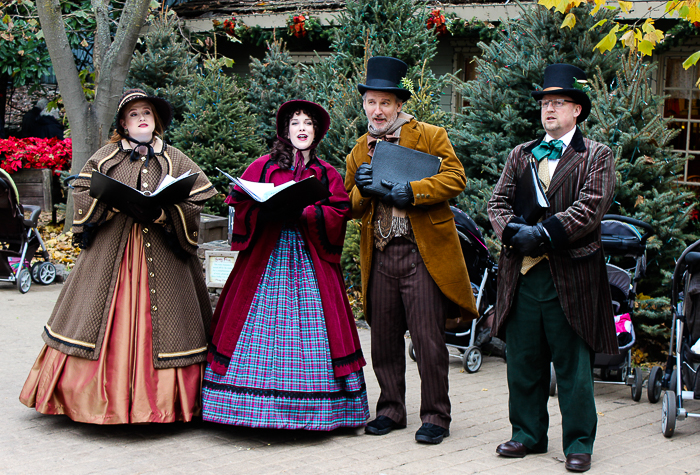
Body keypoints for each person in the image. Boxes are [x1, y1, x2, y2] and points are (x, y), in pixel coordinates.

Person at [20, 88, 217, 424]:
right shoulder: (106, 156)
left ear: (156, 122)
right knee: (95, 319)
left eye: (147, 114)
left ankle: (167, 404)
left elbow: (195, 201)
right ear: (124, 124)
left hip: (166, 259)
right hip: (111, 254)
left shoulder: (177, 158)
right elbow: (81, 194)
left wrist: (160, 214)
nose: (142, 119)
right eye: (134, 114)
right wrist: (111, 204)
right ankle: (92, 400)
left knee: (172, 326)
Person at [204, 100, 369, 431]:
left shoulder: (326, 174)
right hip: (265, 258)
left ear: (317, 133)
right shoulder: (263, 167)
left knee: (318, 330)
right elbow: (238, 203)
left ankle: (324, 412)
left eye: (309, 123)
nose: (303, 128)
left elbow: (339, 213)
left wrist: (306, 212)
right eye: (296, 123)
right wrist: (262, 212)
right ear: (285, 130)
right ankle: (239, 410)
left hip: (310, 263)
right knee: (250, 324)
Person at [487, 64, 617, 472]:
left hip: (571, 275)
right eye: (545, 103)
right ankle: (527, 434)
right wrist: (511, 232)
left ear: (577, 110)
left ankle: (579, 442)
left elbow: (591, 208)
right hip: (522, 274)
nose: (549, 109)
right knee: (523, 361)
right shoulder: (520, 154)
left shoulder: (596, 154)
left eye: (558, 103)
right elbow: (497, 203)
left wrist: (543, 235)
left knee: (573, 367)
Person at [344, 56, 477, 445]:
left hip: (422, 255)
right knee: (382, 339)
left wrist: (415, 191)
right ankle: (390, 409)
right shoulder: (359, 148)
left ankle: (436, 415)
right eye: (371, 102)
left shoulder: (431, 135)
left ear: (399, 104)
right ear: (364, 104)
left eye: (385, 102)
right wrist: (362, 191)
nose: (378, 110)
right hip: (382, 256)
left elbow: (456, 177)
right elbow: (349, 206)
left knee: (428, 340)